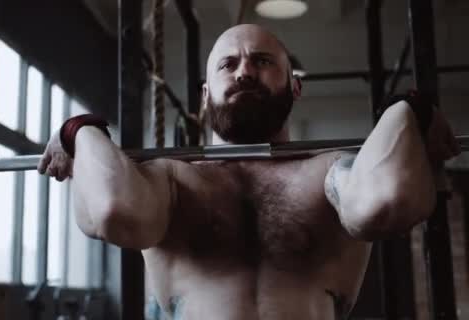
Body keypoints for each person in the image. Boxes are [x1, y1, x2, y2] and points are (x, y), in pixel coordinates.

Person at [38, 24, 460, 320]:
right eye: (229, 65)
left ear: (295, 86)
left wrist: (407, 109)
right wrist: (80, 130)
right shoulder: (171, 178)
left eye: (261, 61)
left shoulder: (331, 171)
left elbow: (389, 201)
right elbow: (114, 212)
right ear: (205, 96)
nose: (244, 71)